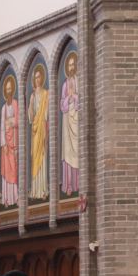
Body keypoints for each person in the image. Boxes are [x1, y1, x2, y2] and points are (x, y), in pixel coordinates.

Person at [28, 64, 49, 200]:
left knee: (43, 156)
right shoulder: (32, 96)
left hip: (42, 128)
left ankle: (43, 189)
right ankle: (35, 190)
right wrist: (31, 104)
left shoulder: (46, 94)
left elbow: (46, 113)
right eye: (35, 78)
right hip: (35, 130)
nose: (37, 80)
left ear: (42, 78)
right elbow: (30, 116)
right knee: (35, 158)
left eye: (39, 77)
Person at [60, 52, 80, 196]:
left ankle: (78, 183)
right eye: (70, 65)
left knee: (78, 151)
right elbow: (62, 104)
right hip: (67, 121)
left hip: (77, 119)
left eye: (73, 65)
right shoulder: (65, 84)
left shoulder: (80, 81)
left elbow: (82, 99)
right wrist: (68, 98)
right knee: (67, 153)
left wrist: (75, 96)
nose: (71, 67)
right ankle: (68, 185)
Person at [0, 75, 19, 207]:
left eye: (10, 89)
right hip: (6, 143)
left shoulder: (16, 104)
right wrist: (3, 144)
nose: (9, 91)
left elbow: (18, 120)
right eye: (7, 89)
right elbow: (2, 126)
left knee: (14, 169)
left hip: (14, 141)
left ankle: (15, 196)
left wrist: (11, 122)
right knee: (7, 170)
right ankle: (7, 198)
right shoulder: (3, 108)